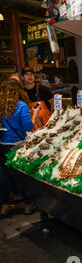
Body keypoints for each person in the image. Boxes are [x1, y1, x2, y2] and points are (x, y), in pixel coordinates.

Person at [0, 78, 38, 215]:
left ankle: (4, 205)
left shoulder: (1, 106)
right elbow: (28, 126)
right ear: (18, 90)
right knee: (21, 176)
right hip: (17, 145)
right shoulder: (21, 106)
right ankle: (28, 204)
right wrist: (35, 114)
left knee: (5, 176)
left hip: (3, 145)